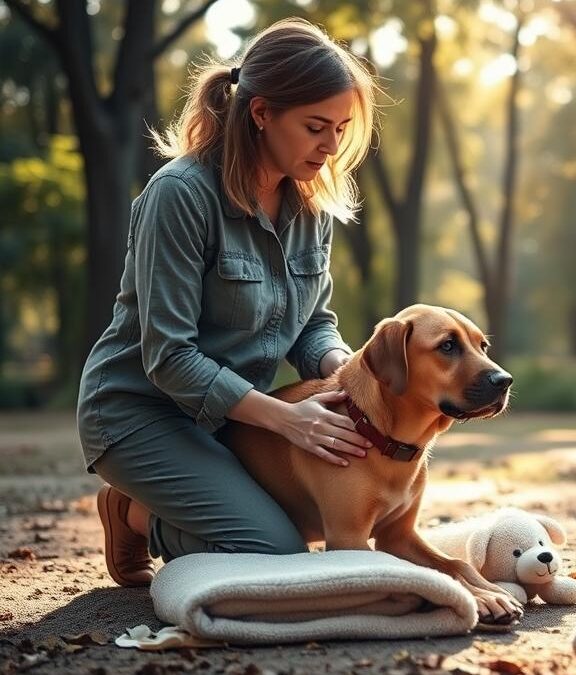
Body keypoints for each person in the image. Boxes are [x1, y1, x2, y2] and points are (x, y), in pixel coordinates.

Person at [76, 18, 382, 587]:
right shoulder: (180, 194)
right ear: (261, 113)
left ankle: (176, 504)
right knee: (273, 552)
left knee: (314, 519)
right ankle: (132, 514)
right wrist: (290, 420)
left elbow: (313, 322)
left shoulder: (312, 204)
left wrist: (343, 370)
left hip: (231, 421)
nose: (331, 146)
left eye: (341, 128)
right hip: (139, 413)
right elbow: (168, 357)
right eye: (316, 126)